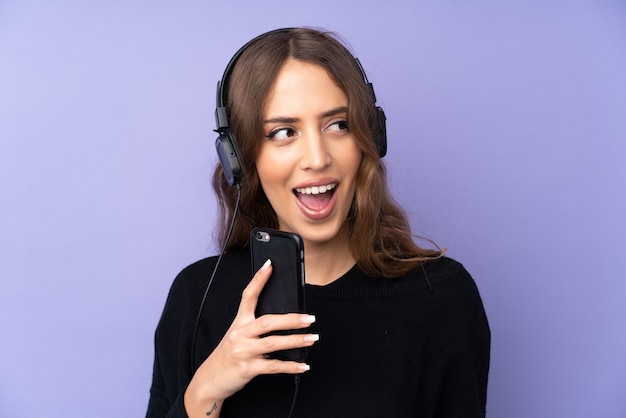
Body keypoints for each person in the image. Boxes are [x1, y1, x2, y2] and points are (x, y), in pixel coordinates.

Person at [146, 27, 490, 418]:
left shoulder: (442, 299)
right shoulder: (197, 296)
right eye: (283, 132)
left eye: (337, 125)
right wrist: (206, 388)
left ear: (369, 137)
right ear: (241, 159)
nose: (316, 157)